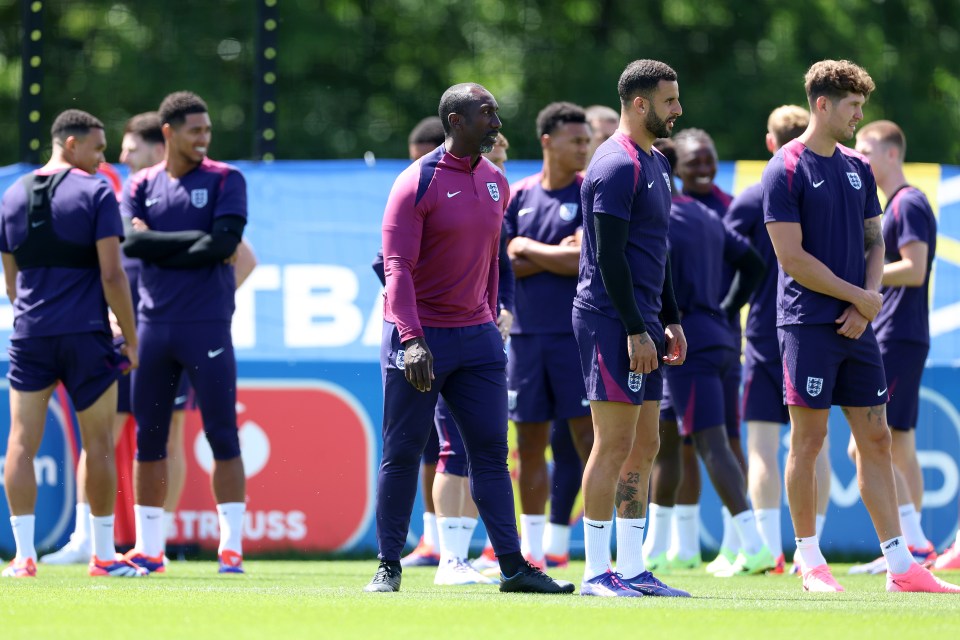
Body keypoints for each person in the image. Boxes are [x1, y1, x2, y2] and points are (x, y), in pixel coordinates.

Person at [366, 82, 573, 594]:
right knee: (403, 450)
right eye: (487, 114)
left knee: (490, 454)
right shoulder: (417, 181)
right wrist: (411, 338)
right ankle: (388, 566)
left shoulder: (497, 181)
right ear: (456, 121)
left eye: (496, 113)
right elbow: (395, 267)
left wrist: (493, 311)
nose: (497, 122)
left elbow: (496, 258)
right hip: (422, 341)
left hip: (477, 339)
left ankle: (512, 567)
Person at [763, 59, 959, 593]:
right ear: (822, 104)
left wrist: (866, 301)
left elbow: (876, 242)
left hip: (858, 324)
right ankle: (810, 562)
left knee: (877, 438)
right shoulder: (784, 167)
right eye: (852, 106)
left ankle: (900, 567)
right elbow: (792, 258)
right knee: (810, 442)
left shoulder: (857, 167)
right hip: (806, 324)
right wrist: (861, 300)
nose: (859, 116)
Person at [0, 109, 145, 577]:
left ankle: (23, 559)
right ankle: (103, 557)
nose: (104, 160)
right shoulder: (97, 190)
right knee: (99, 443)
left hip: (30, 334)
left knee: (21, 443)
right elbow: (111, 273)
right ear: (70, 144)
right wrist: (132, 335)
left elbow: (10, 284)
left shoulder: (11, 195)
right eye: (98, 149)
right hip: (86, 335)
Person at [573, 59, 689, 598]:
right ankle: (598, 572)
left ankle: (634, 567)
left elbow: (657, 252)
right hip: (609, 320)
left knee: (646, 444)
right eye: (669, 101)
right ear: (640, 104)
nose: (678, 110)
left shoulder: (658, 163)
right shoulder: (616, 164)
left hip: (643, 322)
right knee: (613, 442)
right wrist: (634, 328)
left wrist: (670, 319)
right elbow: (610, 259)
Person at [120, 91, 249, 575]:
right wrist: (197, 244)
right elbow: (130, 242)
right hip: (153, 327)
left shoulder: (226, 179)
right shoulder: (140, 184)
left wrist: (158, 243)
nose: (204, 139)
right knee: (148, 438)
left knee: (221, 434)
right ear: (169, 132)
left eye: (208, 131)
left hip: (207, 325)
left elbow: (224, 243)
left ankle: (231, 547)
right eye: (195, 131)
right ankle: (150, 549)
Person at [643, 137, 772, 577]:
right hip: (716, 337)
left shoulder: (658, 217)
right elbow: (754, 263)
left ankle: (753, 545)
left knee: (710, 444)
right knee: (666, 441)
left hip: (684, 345)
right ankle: (659, 550)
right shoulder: (703, 213)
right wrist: (726, 305)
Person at [724, 105, 832, 575]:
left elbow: (722, 252)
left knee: (763, 447)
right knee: (817, 444)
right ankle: (816, 547)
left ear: (771, 143)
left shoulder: (754, 194)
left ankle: (769, 550)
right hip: (816, 328)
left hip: (768, 333)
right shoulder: (828, 191)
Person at [503, 102, 593, 569]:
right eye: (577, 140)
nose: (585, 147)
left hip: (573, 338)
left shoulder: (588, 194)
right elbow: (502, 262)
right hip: (523, 339)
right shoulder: (517, 196)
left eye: (587, 140)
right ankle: (532, 553)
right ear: (547, 142)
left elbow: (581, 261)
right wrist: (549, 255)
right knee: (530, 443)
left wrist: (526, 248)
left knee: (588, 441)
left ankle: (607, 549)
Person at [847, 120, 938, 573]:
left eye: (865, 149)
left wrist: (862, 275)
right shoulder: (894, 204)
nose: (859, 158)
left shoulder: (909, 203)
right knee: (896, 442)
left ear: (891, 154)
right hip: (896, 332)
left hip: (899, 333)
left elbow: (915, 269)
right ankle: (910, 545)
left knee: (874, 443)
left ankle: (912, 543)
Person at [671, 127, 747, 572]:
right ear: (675, 166)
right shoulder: (665, 208)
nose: (702, 167)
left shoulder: (727, 208)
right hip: (678, 341)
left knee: (724, 439)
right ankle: (683, 546)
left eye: (708, 159)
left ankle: (739, 543)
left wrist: (725, 307)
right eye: (693, 161)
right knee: (681, 443)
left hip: (714, 340)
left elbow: (751, 264)